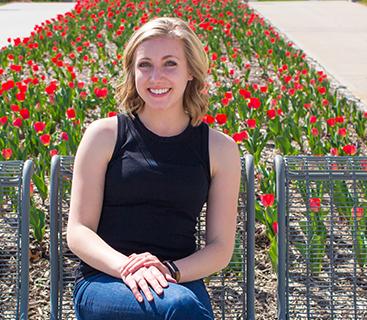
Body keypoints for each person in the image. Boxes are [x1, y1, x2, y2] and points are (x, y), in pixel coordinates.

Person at [65, 17, 242, 320]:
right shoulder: (104, 136)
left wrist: (168, 270)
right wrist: (128, 268)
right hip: (105, 281)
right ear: (133, 72)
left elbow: (221, 247)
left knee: (182, 306)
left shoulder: (220, 149)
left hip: (178, 280)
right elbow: (78, 232)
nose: (156, 77)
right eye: (145, 65)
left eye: (170, 64)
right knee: (183, 309)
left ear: (191, 73)